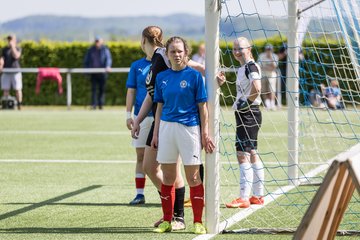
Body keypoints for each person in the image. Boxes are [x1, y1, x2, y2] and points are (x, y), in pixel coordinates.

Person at [151, 36, 214, 234]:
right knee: (168, 177)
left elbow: (203, 107)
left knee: (193, 177)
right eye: (172, 52)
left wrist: (205, 133)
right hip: (167, 129)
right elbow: (159, 107)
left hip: (190, 129)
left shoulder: (195, 76)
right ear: (167, 55)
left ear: (186, 53)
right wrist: (156, 133)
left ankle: (197, 222)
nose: (176, 55)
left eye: (180, 51)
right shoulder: (162, 77)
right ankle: (167, 221)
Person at [226, 37, 265, 209]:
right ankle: (257, 195)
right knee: (252, 152)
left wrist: (246, 103)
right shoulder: (245, 67)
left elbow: (257, 88)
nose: (236, 52)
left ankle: (244, 197)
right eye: (234, 48)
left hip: (248, 113)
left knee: (243, 154)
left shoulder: (250, 66)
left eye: (240, 48)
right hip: (250, 113)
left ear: (249, 49)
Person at [125, 43, 153, 205]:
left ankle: (168, 194)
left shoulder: (164, 62)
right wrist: (128, 115)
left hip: (160, 116)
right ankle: (139, 194)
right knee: (140, 156)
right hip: (140, 117)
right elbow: (131, 90)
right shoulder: (136, 66)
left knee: (165, 159)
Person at [84, 36, 112, 110]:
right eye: (96, 41)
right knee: (93, 89)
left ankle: (101, 105)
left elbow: (108, 59)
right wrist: (86, 70)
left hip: (102, 73)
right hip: (93, 73)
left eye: (98, 41)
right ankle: (93, 105)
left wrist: (108, 66)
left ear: (101, 42)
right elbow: (86, 61)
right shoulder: (90, 50)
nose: (97, 43)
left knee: (101, 89)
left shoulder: (105, 49)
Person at [0, 35, 23, 110]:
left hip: (15, 72)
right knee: (5, 89)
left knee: (18, 89)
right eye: (8, 39)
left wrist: (12, 47)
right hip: (6, 72)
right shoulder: (4, 49)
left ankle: (19, 105)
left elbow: (16, 56)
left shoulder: (18, 48)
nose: (9, 41)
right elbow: (2, 59)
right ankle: (6, 105)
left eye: (11, 39)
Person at [258, 43, 279, 110]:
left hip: (271, 76)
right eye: (267, 49)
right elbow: (259, 66)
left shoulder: (275, 56)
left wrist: (271, 59)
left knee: (272, 90)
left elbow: (274, 67)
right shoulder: (261, 56)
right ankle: (267, 104)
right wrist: (268, 67)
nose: (268, 51)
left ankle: (272, 104)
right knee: (263, 90)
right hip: (263, 75)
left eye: (270, 49)